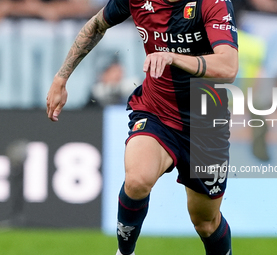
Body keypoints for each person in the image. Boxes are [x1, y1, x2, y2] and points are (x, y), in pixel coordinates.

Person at [46, 0, 238, 255]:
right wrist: (61, 77)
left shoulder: (212, 3)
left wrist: (173, 57)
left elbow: (228, 66)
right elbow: (95, 25)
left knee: (205, 222)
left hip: (205, 123)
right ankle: (124, 252)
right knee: (137, 180)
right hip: (155, 109)